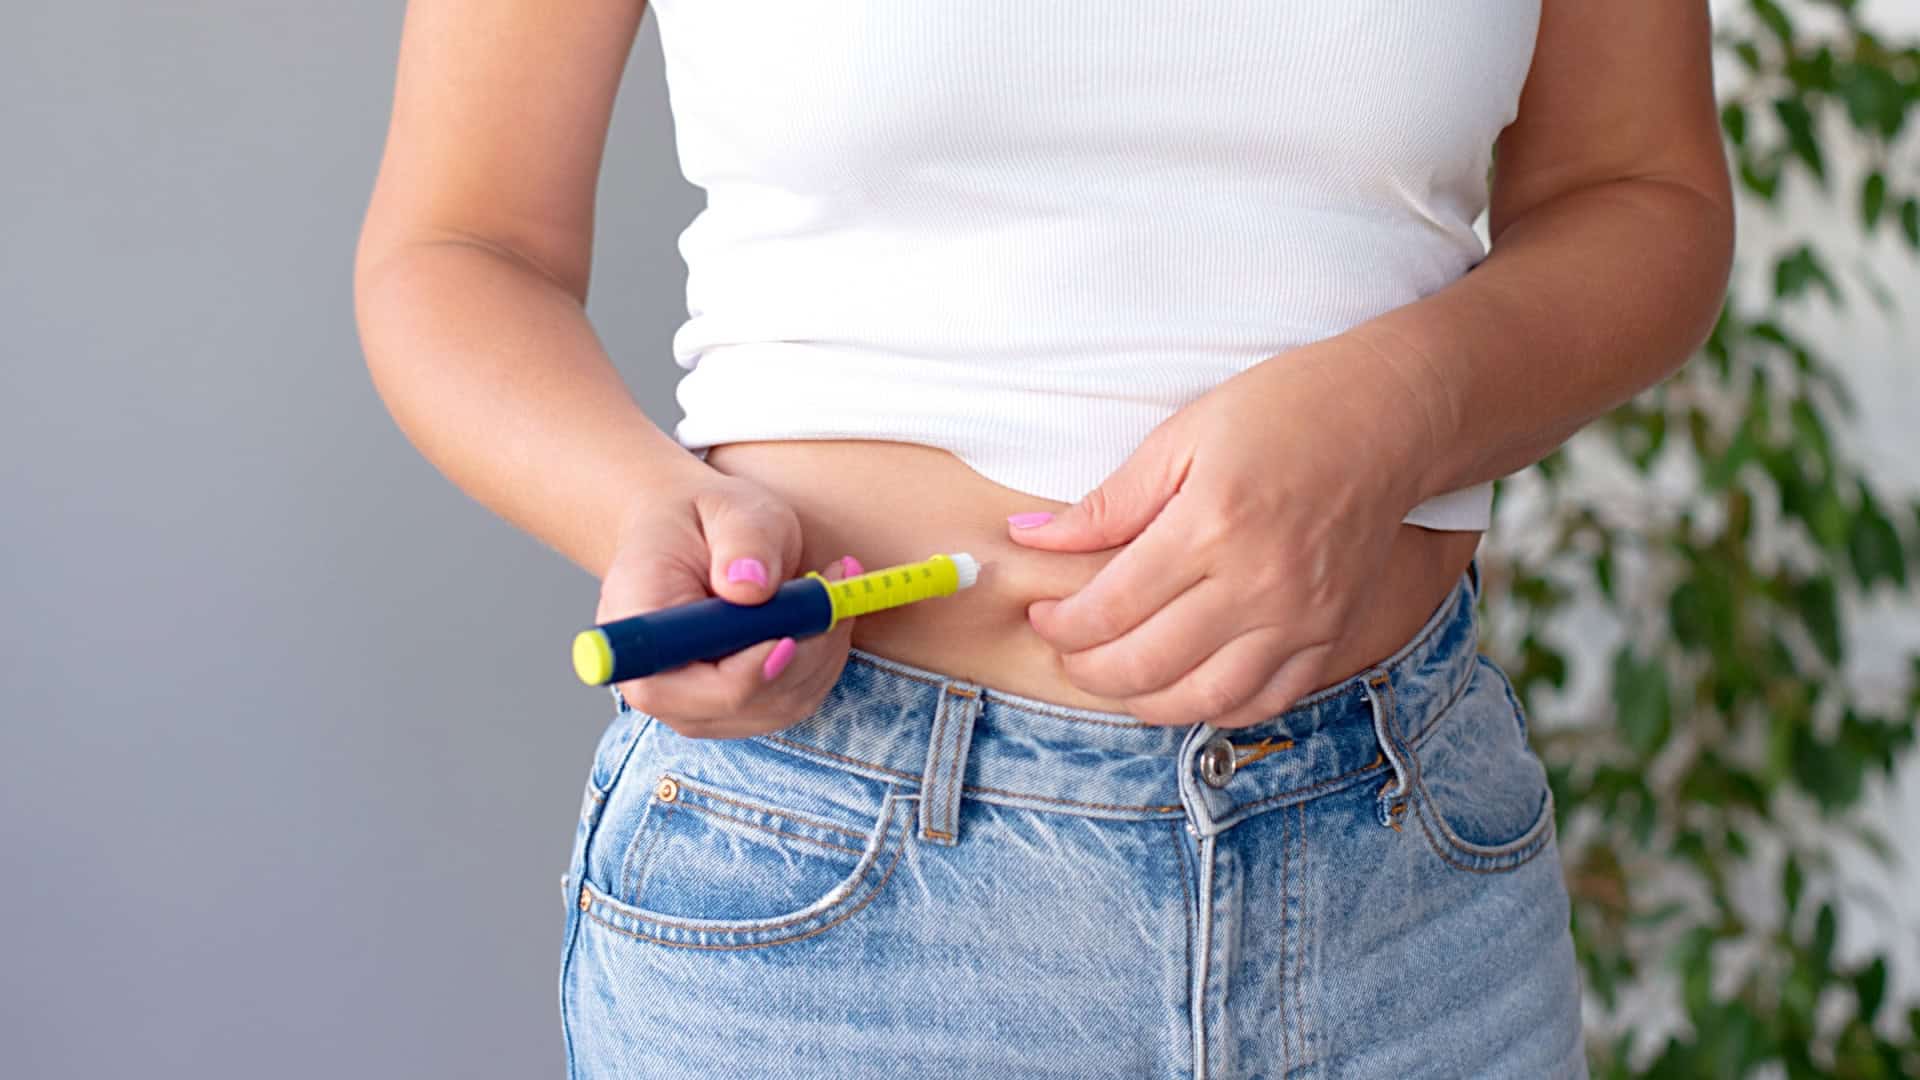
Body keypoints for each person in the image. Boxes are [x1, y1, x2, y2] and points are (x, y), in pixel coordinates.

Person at [355, 1, 1732, 1076]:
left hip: (1401, 885)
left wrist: (1403, 406)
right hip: (828, 886)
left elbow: (1643, 190)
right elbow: (463, 242)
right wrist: (641, 509)